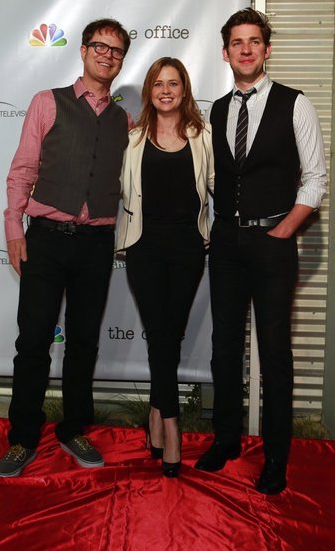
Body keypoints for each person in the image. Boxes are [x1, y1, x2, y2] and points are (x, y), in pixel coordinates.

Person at [194, 8, 326, 494]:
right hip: (227, 243)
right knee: (224, 348)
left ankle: (276, 458)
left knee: (274, 353)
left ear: (266, 50)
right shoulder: (219, 109)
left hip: (273, 243)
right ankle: (226, 440)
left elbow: (315, 177)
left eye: (254, 42)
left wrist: (284, 231)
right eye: (236, 42)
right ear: (225, 52)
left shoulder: (296, 104)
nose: (245, 49)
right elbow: (214, 178)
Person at [0, 18, 132, 477]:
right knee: (33, 340)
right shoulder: (45, 103)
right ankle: (22, 437)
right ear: (84, 50)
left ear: (121, 59)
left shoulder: (124, 121)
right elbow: (22, 170)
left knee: (84, 342)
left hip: (96, 242)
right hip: (47, 239)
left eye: (116, 51)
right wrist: (14, 227)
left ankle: (74, 428)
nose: (106, 55)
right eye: (99, 46)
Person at [116, 57, 214, 478]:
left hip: (189, 249)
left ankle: (156, 412)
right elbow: (120, 192)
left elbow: (221, 187)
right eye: (158, 83)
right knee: (160, 334)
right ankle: (172, 429)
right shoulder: (134, 138)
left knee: (169, 336)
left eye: (174, 83)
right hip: (144, 249)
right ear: (150, 92)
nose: (166, 90)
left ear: (184, 89)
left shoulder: (203, 135)